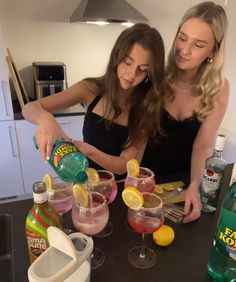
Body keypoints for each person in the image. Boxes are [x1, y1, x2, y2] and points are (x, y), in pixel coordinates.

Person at [22, 23, 165, 180]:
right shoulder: (90, 89)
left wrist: (89, 151)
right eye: (127, 62)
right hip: (86, 181)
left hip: (118, 188)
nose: (132, 73)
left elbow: (123, 165)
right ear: (117, 56)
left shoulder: (146, 107)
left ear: (150, 73)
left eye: (143, 69)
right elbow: (30, 108)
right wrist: (46, 119)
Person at [141, 1, 229, 223]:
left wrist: (194, 185)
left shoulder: (218, 88)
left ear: (213, 51)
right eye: (182, 38)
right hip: (143, 182)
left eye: (198, 44)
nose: (184, 50)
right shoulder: (155, 75)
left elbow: (203, 144)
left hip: (181, 184)